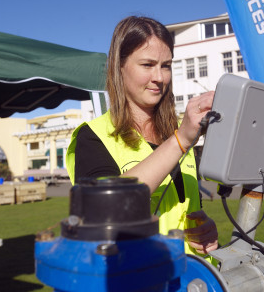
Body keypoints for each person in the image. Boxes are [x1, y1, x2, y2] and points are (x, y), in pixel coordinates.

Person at [66, 16, 218, 257]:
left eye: (165, 65)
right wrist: (180, 141)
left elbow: (185, 210)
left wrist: (205, 231)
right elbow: (106, 209)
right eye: (147, 65)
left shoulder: (178, 130)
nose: (159, 77)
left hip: (194, 277)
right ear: (120, 66)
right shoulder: (92, 137)